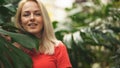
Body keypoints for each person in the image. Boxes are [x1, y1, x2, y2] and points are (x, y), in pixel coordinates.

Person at [14, 0, 72, 68]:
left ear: (44, 19)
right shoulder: (13, 49)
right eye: (26, 15)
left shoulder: (57, 47)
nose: (32, 18)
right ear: (20, 21)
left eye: (37, 14)